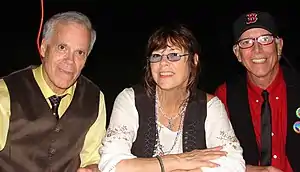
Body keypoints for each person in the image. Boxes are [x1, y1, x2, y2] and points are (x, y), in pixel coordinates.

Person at [99, 24, 245, 172]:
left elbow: (233, 163)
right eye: (156, 56)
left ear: (194, 61)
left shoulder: (210, 106)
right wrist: (177, 161)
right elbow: (112, 164)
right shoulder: (131, 100)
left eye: (174, 55)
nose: (163, 63)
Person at [0, 11, 106, 172]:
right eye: (62, 47)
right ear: (43, 48)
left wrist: (92, 169)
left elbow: (93, 159)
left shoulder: (95, 98)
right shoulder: (6, 93)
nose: (70, 61)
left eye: (79, 53)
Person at [215, 11, 300, 172]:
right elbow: (218, 158)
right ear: (237, 53)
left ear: (279, 45)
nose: (257, 50)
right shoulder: (224, 96)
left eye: (265, 39)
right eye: (246, 42)